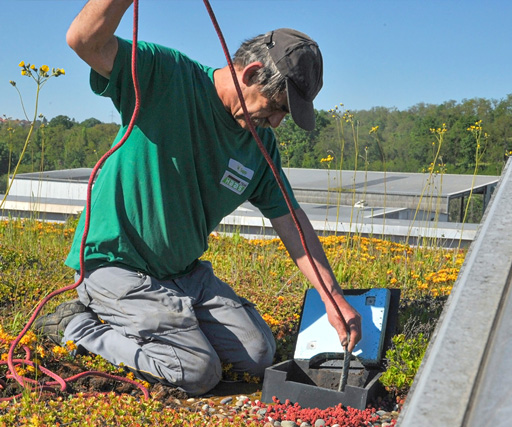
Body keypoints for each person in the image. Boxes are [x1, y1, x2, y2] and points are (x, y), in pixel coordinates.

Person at [36, 0, 362, 396]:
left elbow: (292, 222)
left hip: (183, 275)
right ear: (253, 72)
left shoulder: (259, 146)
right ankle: (75, 325)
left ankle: (162, 318)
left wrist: (333, 297)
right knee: (196, 371)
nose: (276, 122)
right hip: (113, 264)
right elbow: (83, 40)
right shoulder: (166, 75)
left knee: (260, 355)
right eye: (276, 107)